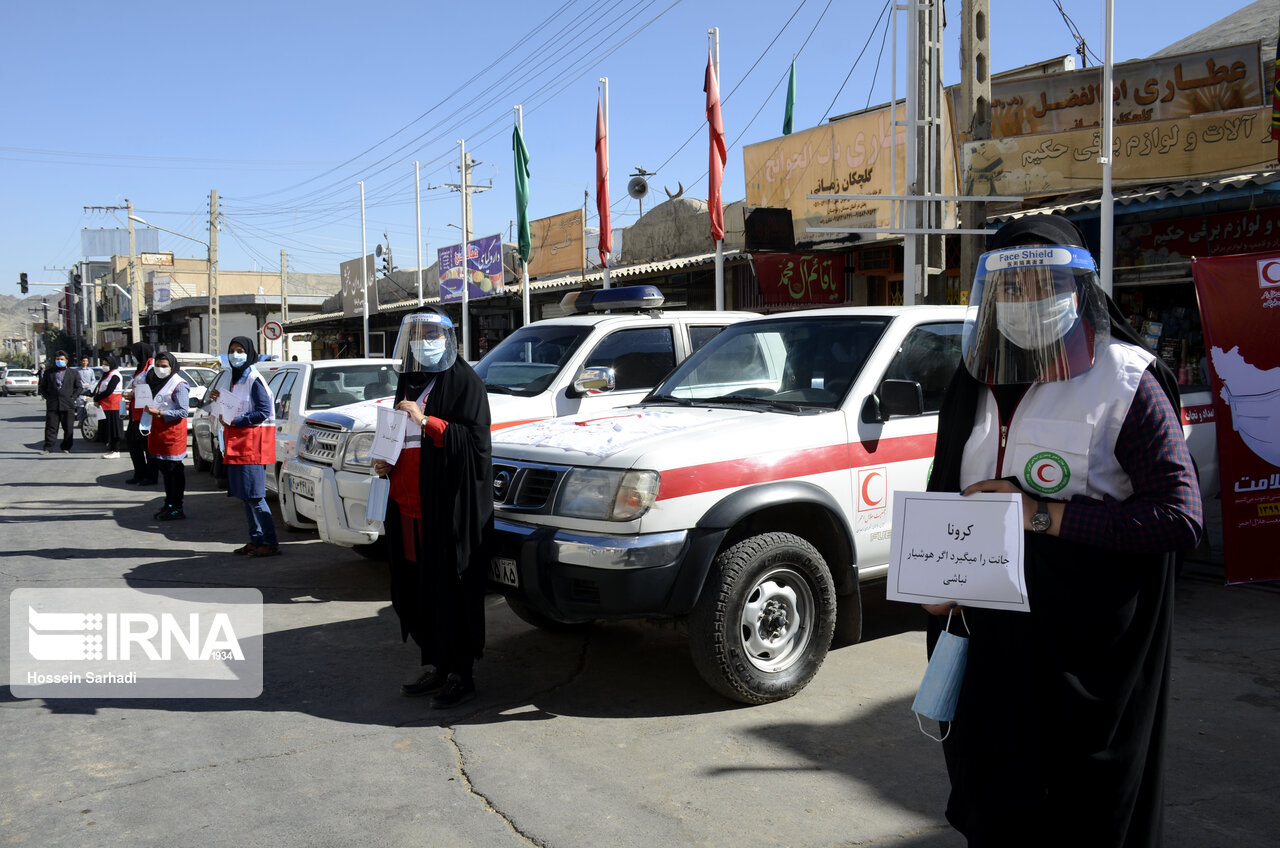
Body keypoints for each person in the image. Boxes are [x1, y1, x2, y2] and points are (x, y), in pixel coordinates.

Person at [923, 215, 1203, 847]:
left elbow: (1180, 517)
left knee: (1080, 822)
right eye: (1012, 291)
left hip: (1083, 662)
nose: (1027, 303)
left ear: (1079, 290)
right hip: (986, 649)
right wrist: (935, 581)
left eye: (1044, 285)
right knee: (992, 810)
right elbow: (946, 491)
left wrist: (1039, 514)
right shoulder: (972, 379)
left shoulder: (1126, 380)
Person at [372, 312, 492, 709]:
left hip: (444, 512)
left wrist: (428, 422)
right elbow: (396, 435)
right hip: (407, 509)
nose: (424, 342)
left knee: (450, 591)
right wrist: (384, 461)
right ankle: (437, 665)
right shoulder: (408, 381)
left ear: (448, 338)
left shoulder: (465, 383)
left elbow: (474, 445)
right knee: (417, 589)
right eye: (418, 335)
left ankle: (462, 674)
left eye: (432, 335)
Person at [211, 336, 280, 557]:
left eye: (240, 350)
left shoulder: (254, 378)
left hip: (252, 444)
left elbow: (263, 411)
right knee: (246, 497)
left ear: (249, 353)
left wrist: (236, 421)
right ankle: (256, 539)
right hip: (239, 443)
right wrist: (219, 398)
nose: (235, 354)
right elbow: (237, 405)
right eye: (232, 350)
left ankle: (269, 542)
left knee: (256, 497)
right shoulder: (237, 378)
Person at [142, 351, 189, 521]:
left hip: (172, 433)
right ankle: (169, 503)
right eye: (158, 366)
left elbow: (183, 411)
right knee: (164, 469)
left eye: (164, 366)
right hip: (158, 431)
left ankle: (177, 506)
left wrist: (160, 412)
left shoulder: (179, 384)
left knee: (173, 470)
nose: (160, 369)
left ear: (172, 367)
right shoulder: (156, 382)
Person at [123, 342, 158, 485]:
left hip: (146, 414)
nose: (132, 357)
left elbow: (152, 390)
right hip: (135, 413)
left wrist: (134, 394)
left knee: (147, 447)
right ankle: (139, 473)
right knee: (132, 444)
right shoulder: (140, 368)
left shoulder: (151, 369)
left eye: (133, 354)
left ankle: (151, 476)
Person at [38, 350, 80, 453]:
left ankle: (66, 447)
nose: (59, 361)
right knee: (51, 427)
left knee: (68, 428)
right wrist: (48, 397)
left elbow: (79, 387)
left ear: (66, 361)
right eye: (57, 359)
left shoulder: (73, 373)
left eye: (62, 359)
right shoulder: (49, 372)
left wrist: (73, 397)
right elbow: (42, 387)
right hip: (53, 404)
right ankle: (48, 447)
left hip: (68, 404)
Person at [92, 354, 125, 458]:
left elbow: (109, 391)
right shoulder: (106, 375)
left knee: (114, 428)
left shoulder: (115, 375)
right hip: (105, 405)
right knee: (107, 428)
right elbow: (99, 388)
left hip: (113, 406)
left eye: (106, 364)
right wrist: (95, 397)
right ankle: (111, 449)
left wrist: (97, 398)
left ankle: (116, 450)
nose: (104, 366)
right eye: (103, 364)